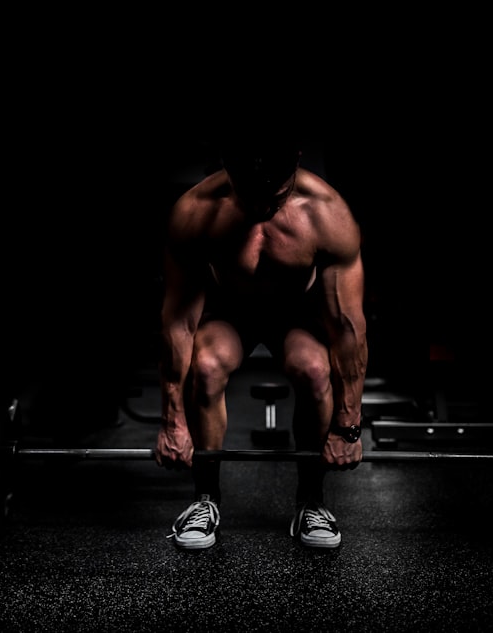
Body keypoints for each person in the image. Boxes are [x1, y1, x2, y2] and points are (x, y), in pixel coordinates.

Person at [154, 131, 368, 550]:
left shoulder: (327, 214)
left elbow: (346, 328)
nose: (260, 206)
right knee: (206, 365)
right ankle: (205, 500)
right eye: (248, 192)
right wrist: (172, 421)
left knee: (314, 369)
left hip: (298, 315)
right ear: (225, 165)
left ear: (296, 162)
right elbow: (178, 322)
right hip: (231, 313)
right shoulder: (196, 211)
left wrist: (348, 428)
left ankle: (311, 501)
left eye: (276, 193)